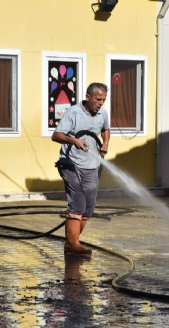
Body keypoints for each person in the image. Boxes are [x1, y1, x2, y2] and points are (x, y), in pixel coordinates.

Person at [52, 82, 110, 255]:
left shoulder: (103, 113)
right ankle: (72, 245)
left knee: (89, 207)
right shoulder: (74, 113)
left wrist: (105, 143)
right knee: (78, 203)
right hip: (70, 163)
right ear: (88, 97)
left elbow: (106, 130)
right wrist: (73, 141)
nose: (101, 103)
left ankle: (73, 242)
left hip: (91, 165)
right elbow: (56, 135)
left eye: (103, 100)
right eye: (98, 99)